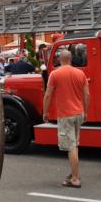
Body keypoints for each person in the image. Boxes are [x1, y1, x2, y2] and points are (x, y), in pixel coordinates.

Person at [42, 49, 89, 188]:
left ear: (60, 59)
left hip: (65, 114)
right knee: (74, 145)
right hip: (79, 112)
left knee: (71, 147)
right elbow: (86, 95)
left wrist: (45, 112)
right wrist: (86, 112)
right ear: (70, 59)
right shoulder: (80, 73)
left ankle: (75, 178)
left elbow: (48, 95)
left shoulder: (55, 74)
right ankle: (74, 173)